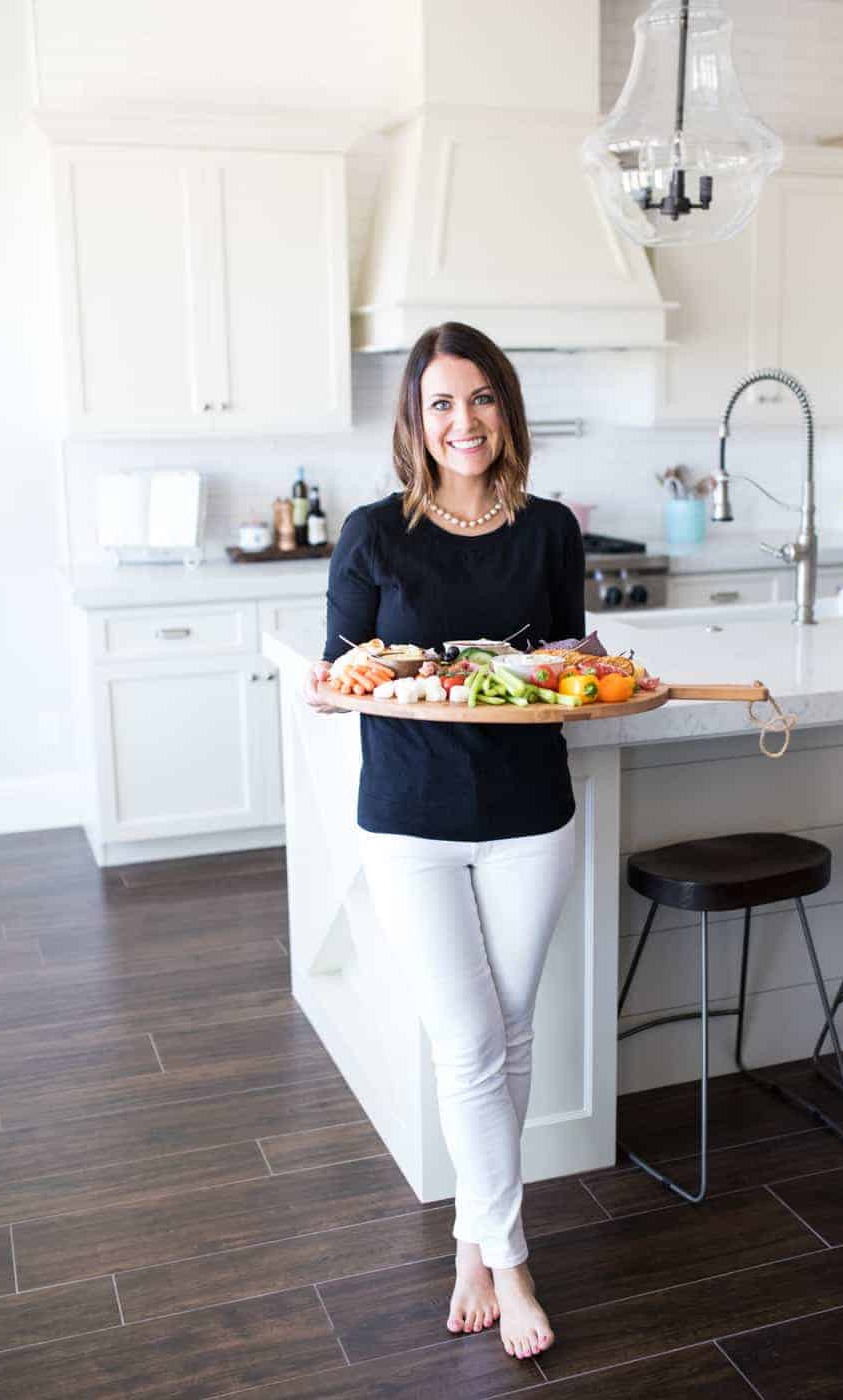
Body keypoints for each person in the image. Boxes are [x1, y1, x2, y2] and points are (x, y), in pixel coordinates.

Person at [304, 321, 584, 1360]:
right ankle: (510, 1261)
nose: (461, 420)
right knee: (468, 1040)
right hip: (411, 817)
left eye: (479, 398)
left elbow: (561, 654)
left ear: (503, 408)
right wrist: (339, 682)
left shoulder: (550, 529)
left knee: (506, 1033)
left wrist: (575, 664)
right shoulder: (375, 533)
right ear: (413, 423)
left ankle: (472, 1238)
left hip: (529, 813)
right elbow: (337, 673)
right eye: (439, 403)